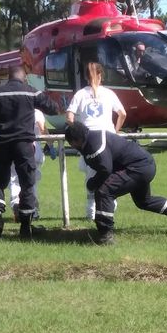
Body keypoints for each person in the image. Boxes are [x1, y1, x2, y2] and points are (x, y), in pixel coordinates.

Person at [65, 121, 167, 245]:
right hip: (144, 164)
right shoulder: (93, 138)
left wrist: (92, 183)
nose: (72, 146)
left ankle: (106, 234)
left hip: (137, 168)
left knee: (104, 191)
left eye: (71, 143)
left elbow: (105, 169)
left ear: (77, 140)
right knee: (144, 201)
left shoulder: (94, 144)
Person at [0, 65, 59, 240]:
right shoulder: (30, 92)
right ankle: (26, 226)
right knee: (27, 183)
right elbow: (53, 108)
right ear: (24, 77)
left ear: (8, 76)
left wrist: (1, 130)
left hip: (1, 143)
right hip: (24, 144)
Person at [66, 62, 126, 221]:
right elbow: (122, 114)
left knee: (92, 177)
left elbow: (70, 117)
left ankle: (91, 212)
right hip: (109, 139)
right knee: (111, 176)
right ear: (100, 76)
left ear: (86, 77)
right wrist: (116, 131)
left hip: (89, 141)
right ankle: (109, 210)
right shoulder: (109, 93)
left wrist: (77, 132)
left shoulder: (80, 94)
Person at [9, 109, 57, 221]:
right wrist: (50, 146)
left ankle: (16, 203)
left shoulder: (13, 110)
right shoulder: (36, 112)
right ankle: (33, 211)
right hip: (33, 150)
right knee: (31, 182)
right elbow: (42, 128)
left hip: (14, 148)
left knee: (14, 179)